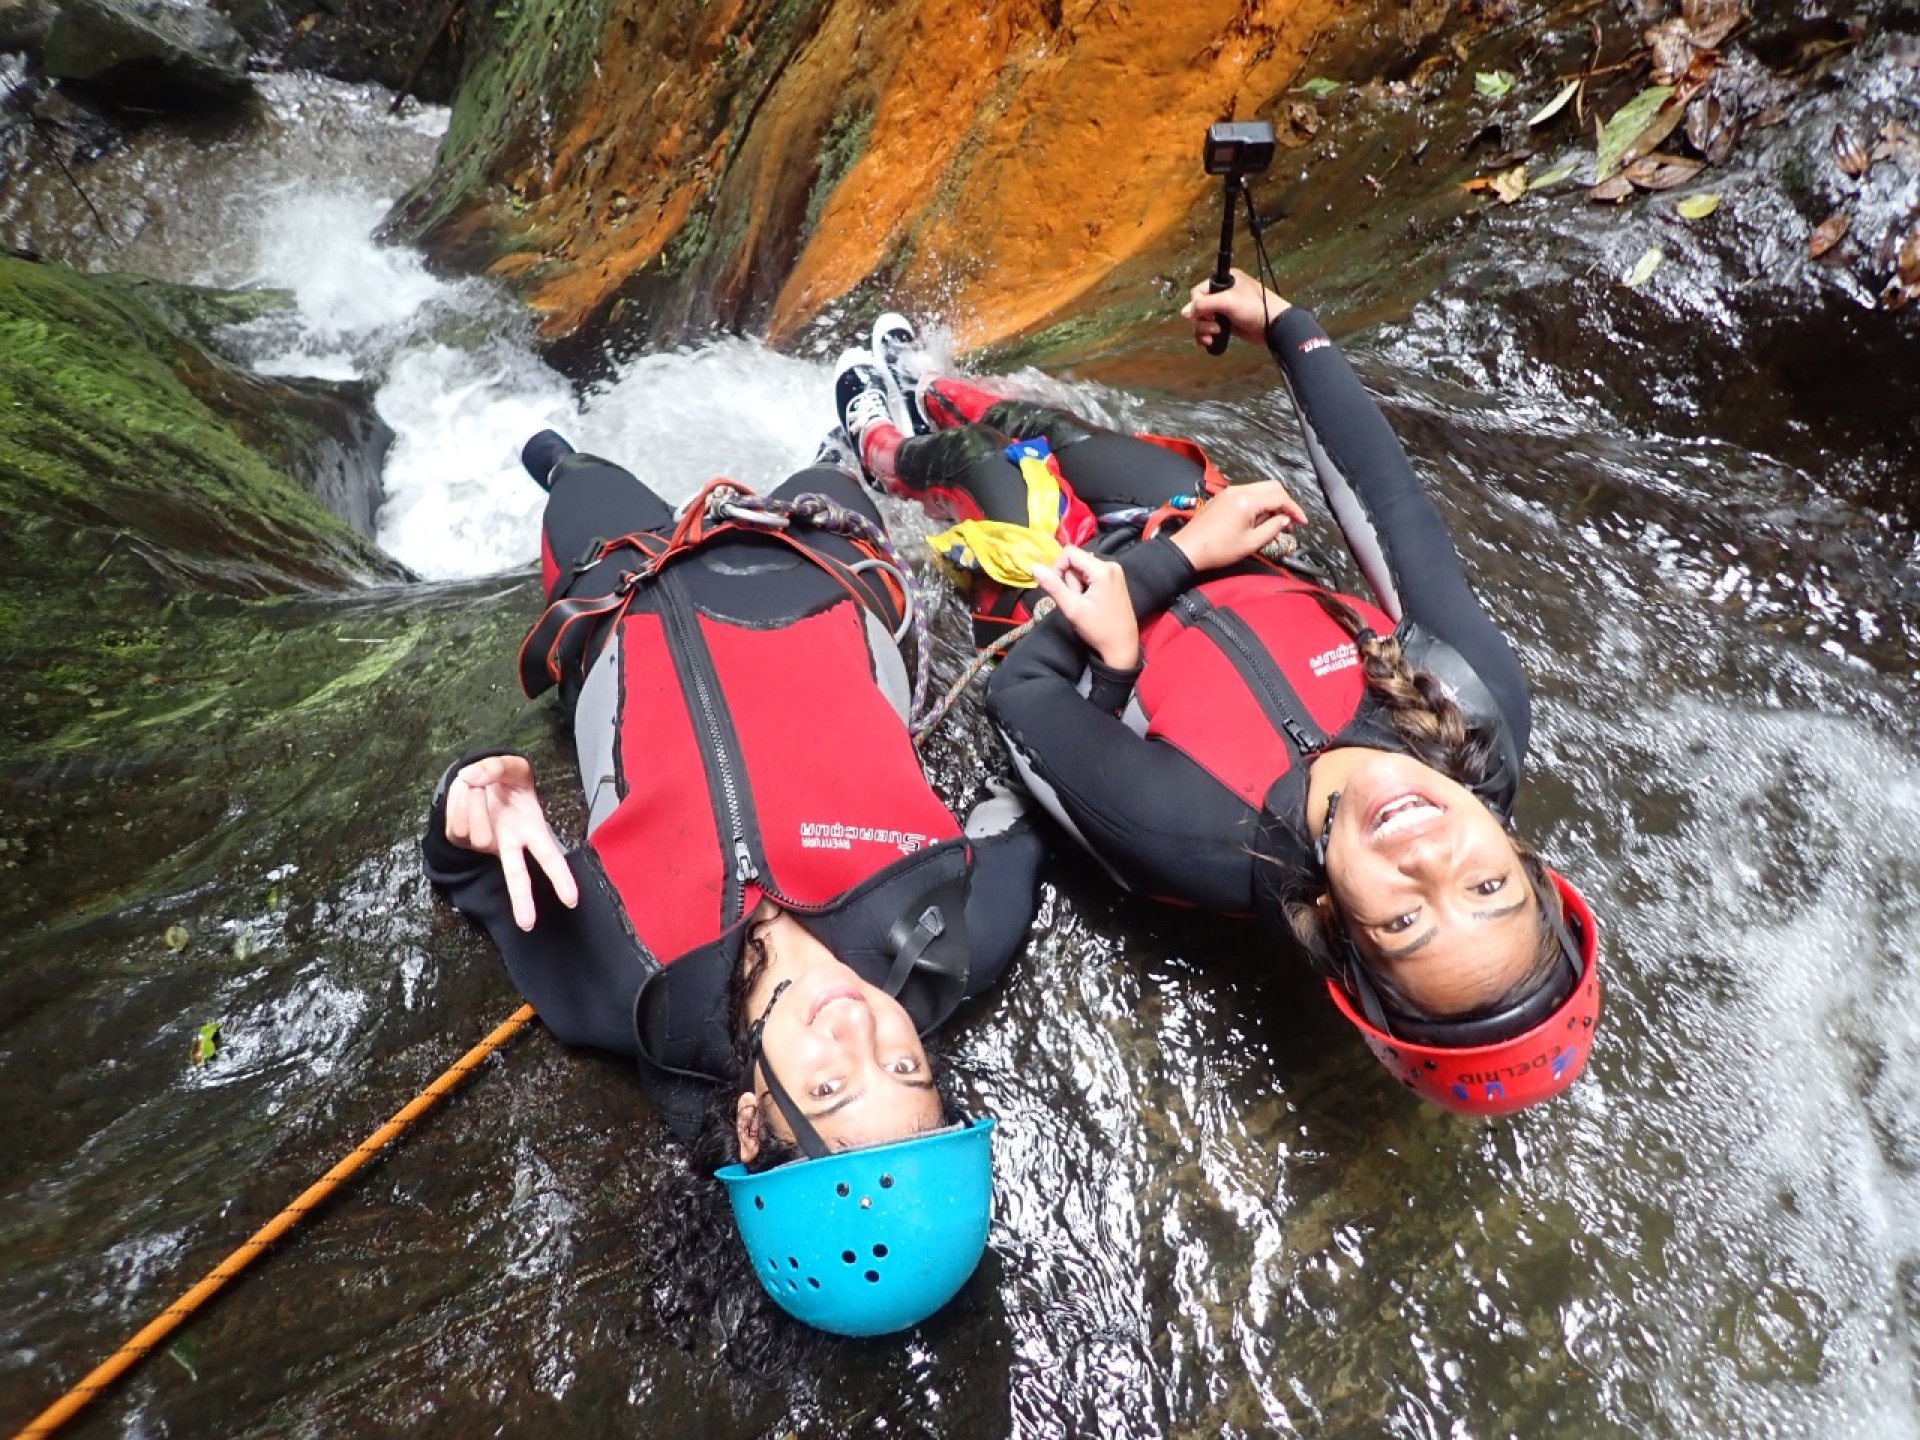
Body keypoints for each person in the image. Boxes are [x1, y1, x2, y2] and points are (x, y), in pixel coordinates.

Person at [829, 276, 1601, 1116]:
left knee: (983, 466)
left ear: (1341, 934)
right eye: (1489, 890)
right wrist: (1285, 325)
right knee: (1037, 430)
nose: (1428, 862)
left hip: (1074, 604)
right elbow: (1389, 504)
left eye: (1406, 924)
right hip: (1195, 532)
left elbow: (1021, 696)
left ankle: (878, 445)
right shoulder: (1473, 701)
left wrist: (1146, 613)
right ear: (1523, 861)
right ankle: (931, 386)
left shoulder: (1202, 837)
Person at [421, 432, 1043, 1341]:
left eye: (831, 1087)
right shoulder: (955, 928)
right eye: (906, 1066)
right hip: (826, 559)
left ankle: (562, 457)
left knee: (574, 477)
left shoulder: (624, 989)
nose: (860, 1028)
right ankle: (848, 441)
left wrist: (471, 795)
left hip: (618, 594)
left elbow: (467, 872)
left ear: (753, 1126)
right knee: (832, 470)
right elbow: (1020, 807)